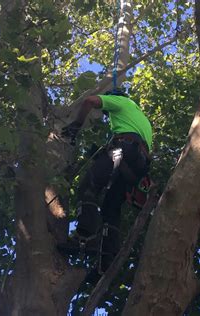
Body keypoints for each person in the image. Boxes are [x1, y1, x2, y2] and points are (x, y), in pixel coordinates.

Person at [60, 89, 152, 275]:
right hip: (137, 164)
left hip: (124, 150)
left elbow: (89, 101)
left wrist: (76, 126)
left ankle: (83, 236)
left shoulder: (120, 102)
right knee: (111, 209)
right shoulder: (138, 117)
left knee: (89, 186)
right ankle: (106, 264)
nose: (107, 114)